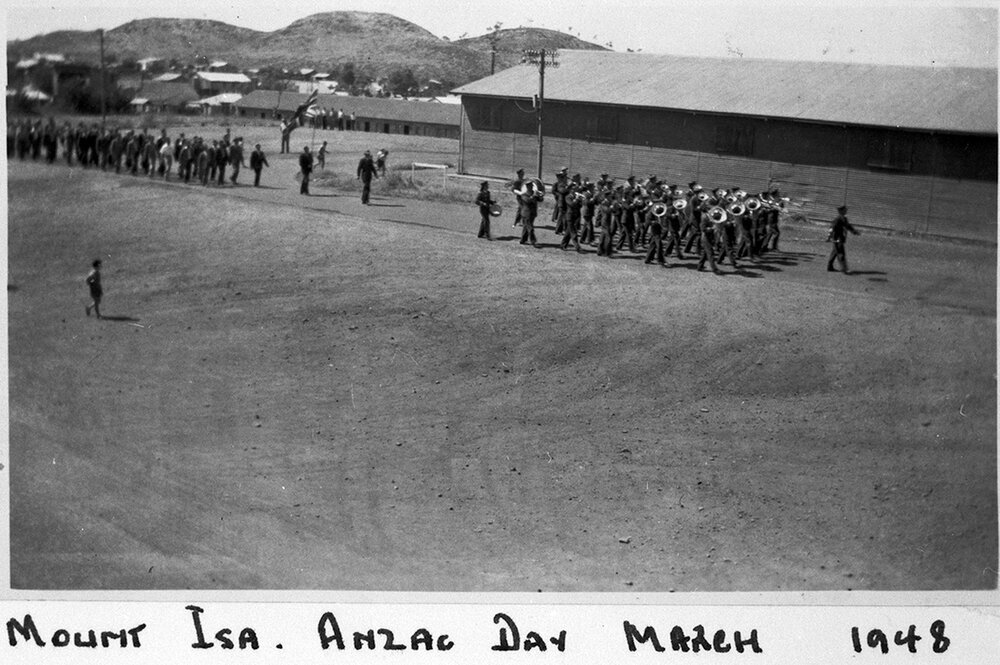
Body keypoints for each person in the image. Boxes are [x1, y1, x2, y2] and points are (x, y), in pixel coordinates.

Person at [827, 205, 860, 273]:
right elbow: (831, 228)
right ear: (841, 211)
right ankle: (844, 269)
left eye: (846, 209)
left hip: (841, 238)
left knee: (835, 252)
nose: (846, 211)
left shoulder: (844, 219)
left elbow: (848, 226)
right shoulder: (837, 219)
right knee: (841, 253)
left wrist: (854, 232)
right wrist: (829, 237)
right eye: (845, 210)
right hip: (837, 239)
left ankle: (829, 267)